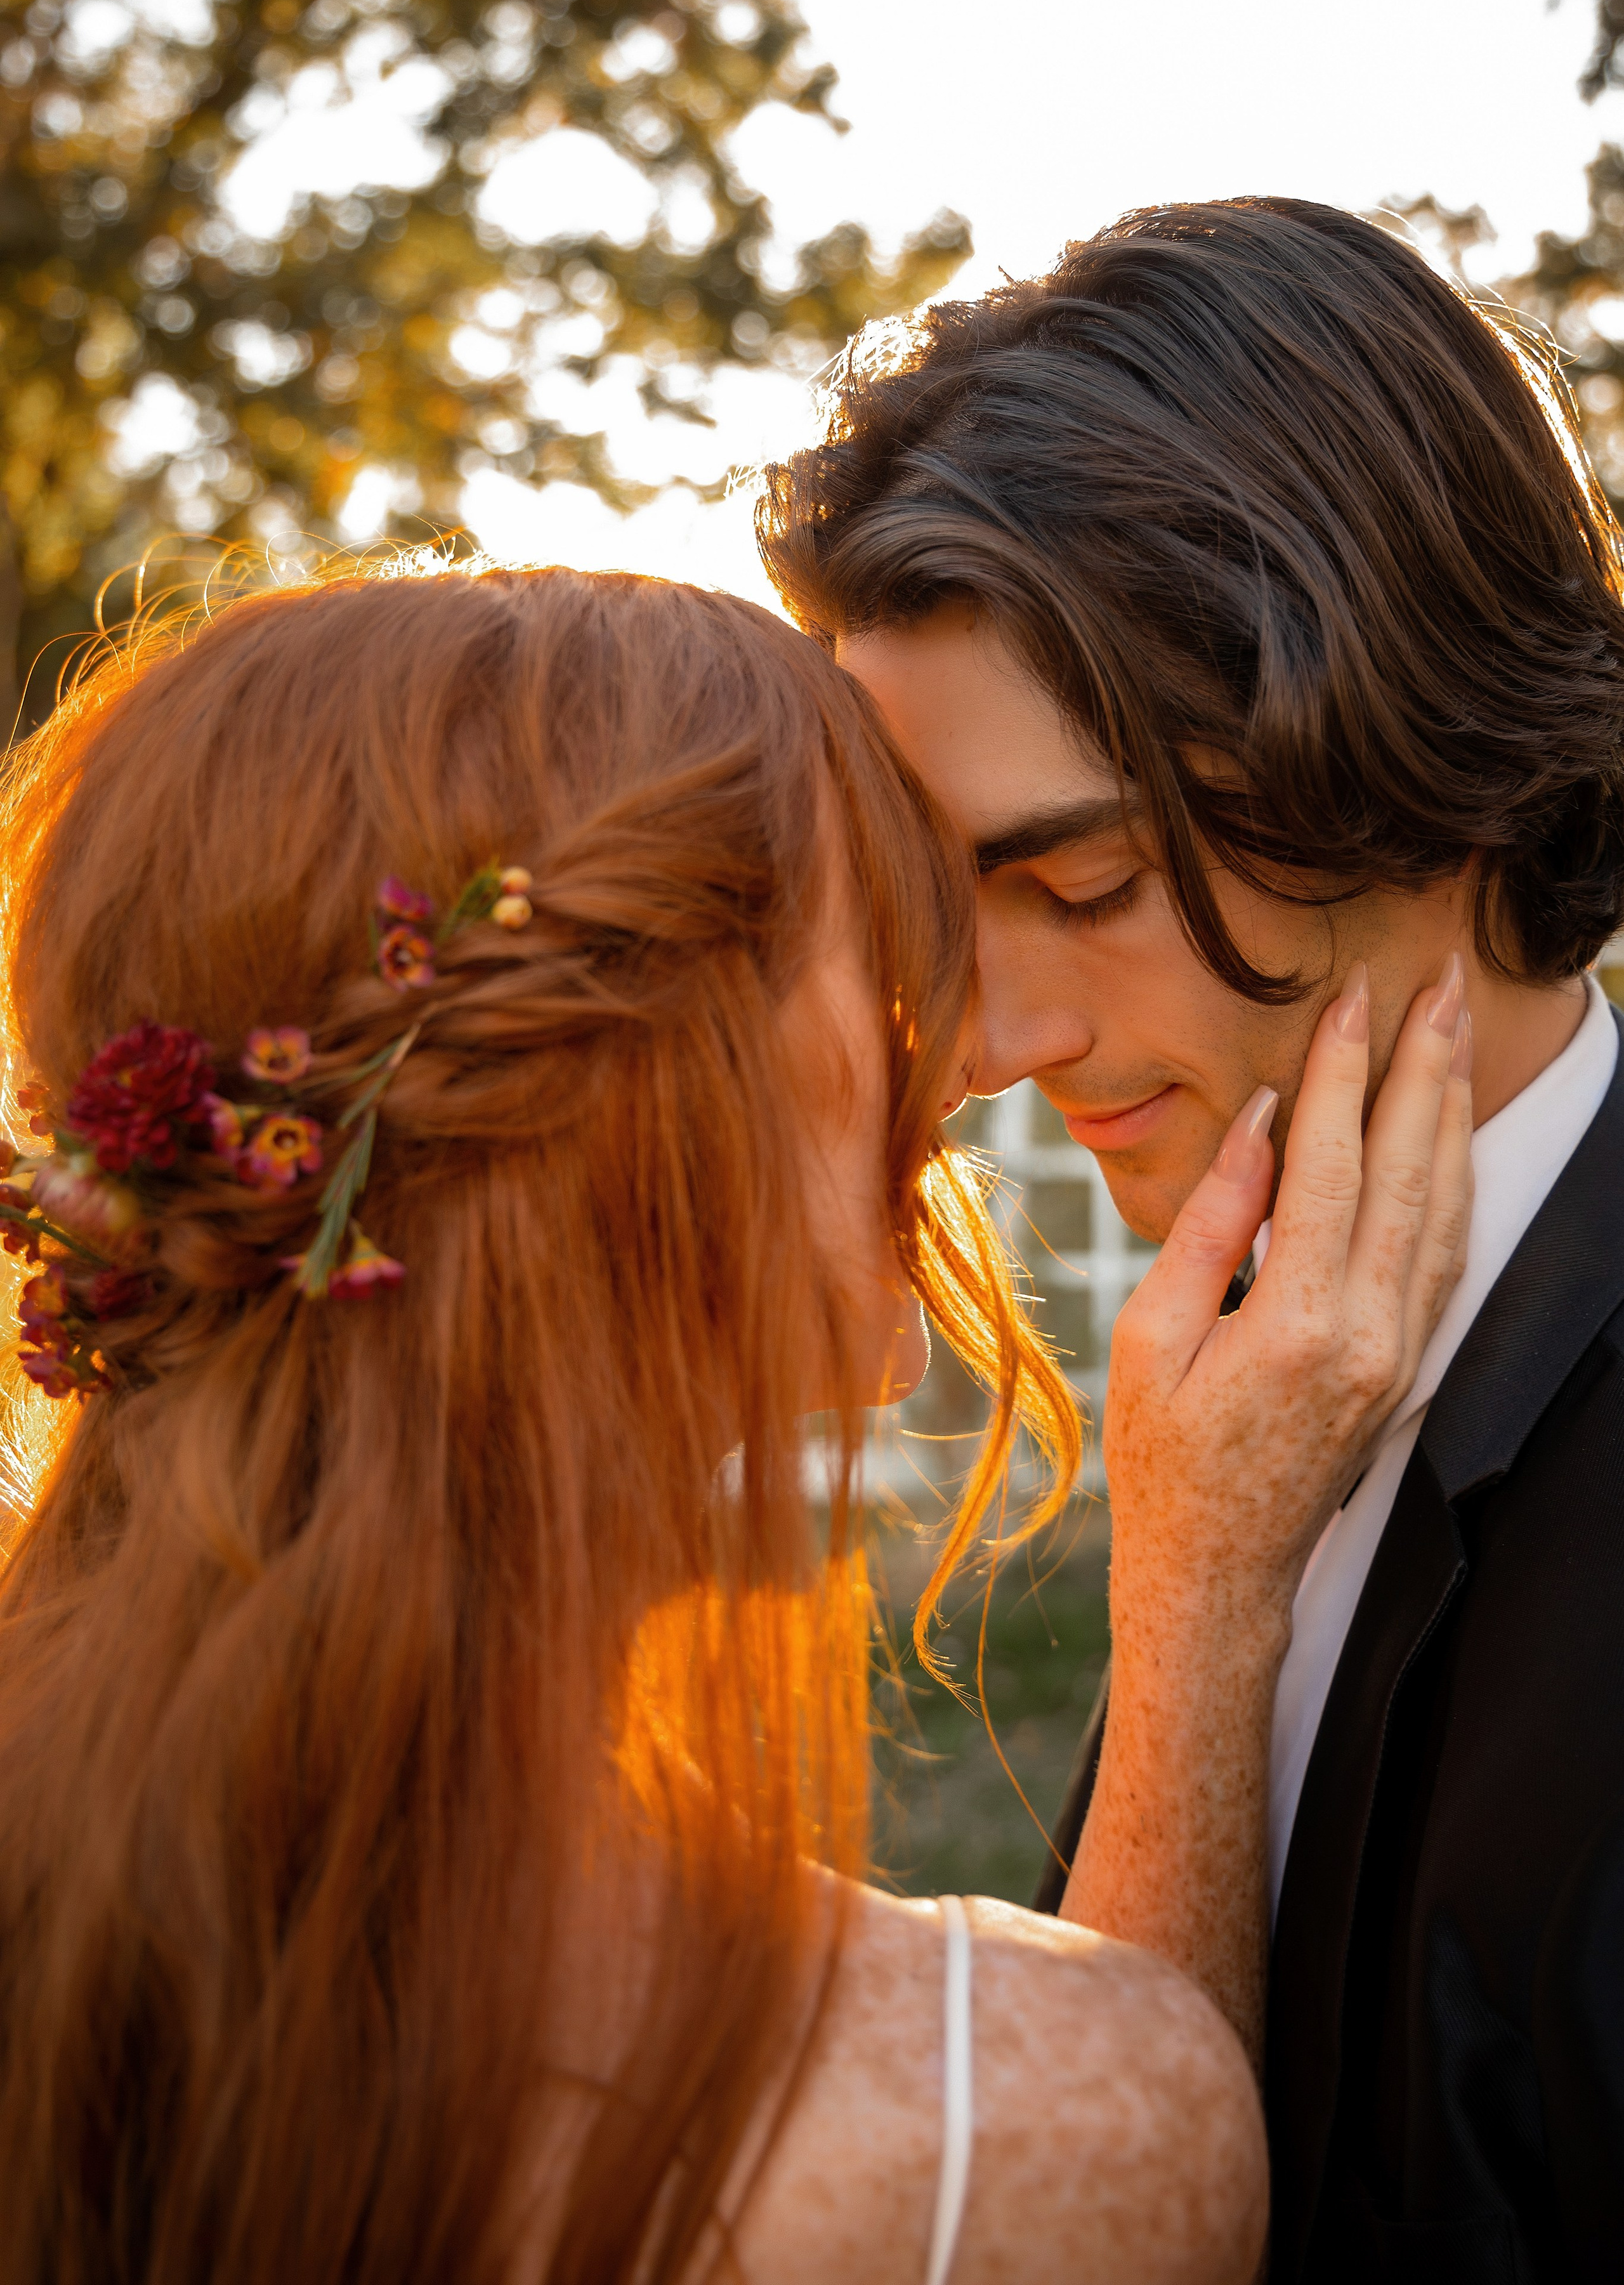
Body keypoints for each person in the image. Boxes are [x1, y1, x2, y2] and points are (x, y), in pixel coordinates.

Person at [0, 556, 1469, 2285]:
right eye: (902, 938)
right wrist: (1206, 1600)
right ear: (674, 1098)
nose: (975, 1036)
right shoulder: (1009, 2135)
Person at [758, 194, 1624, 2282]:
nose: (982, 1041)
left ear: (1409, 732)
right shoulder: (1224, 1392)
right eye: (941, 911)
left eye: (1089, 876)